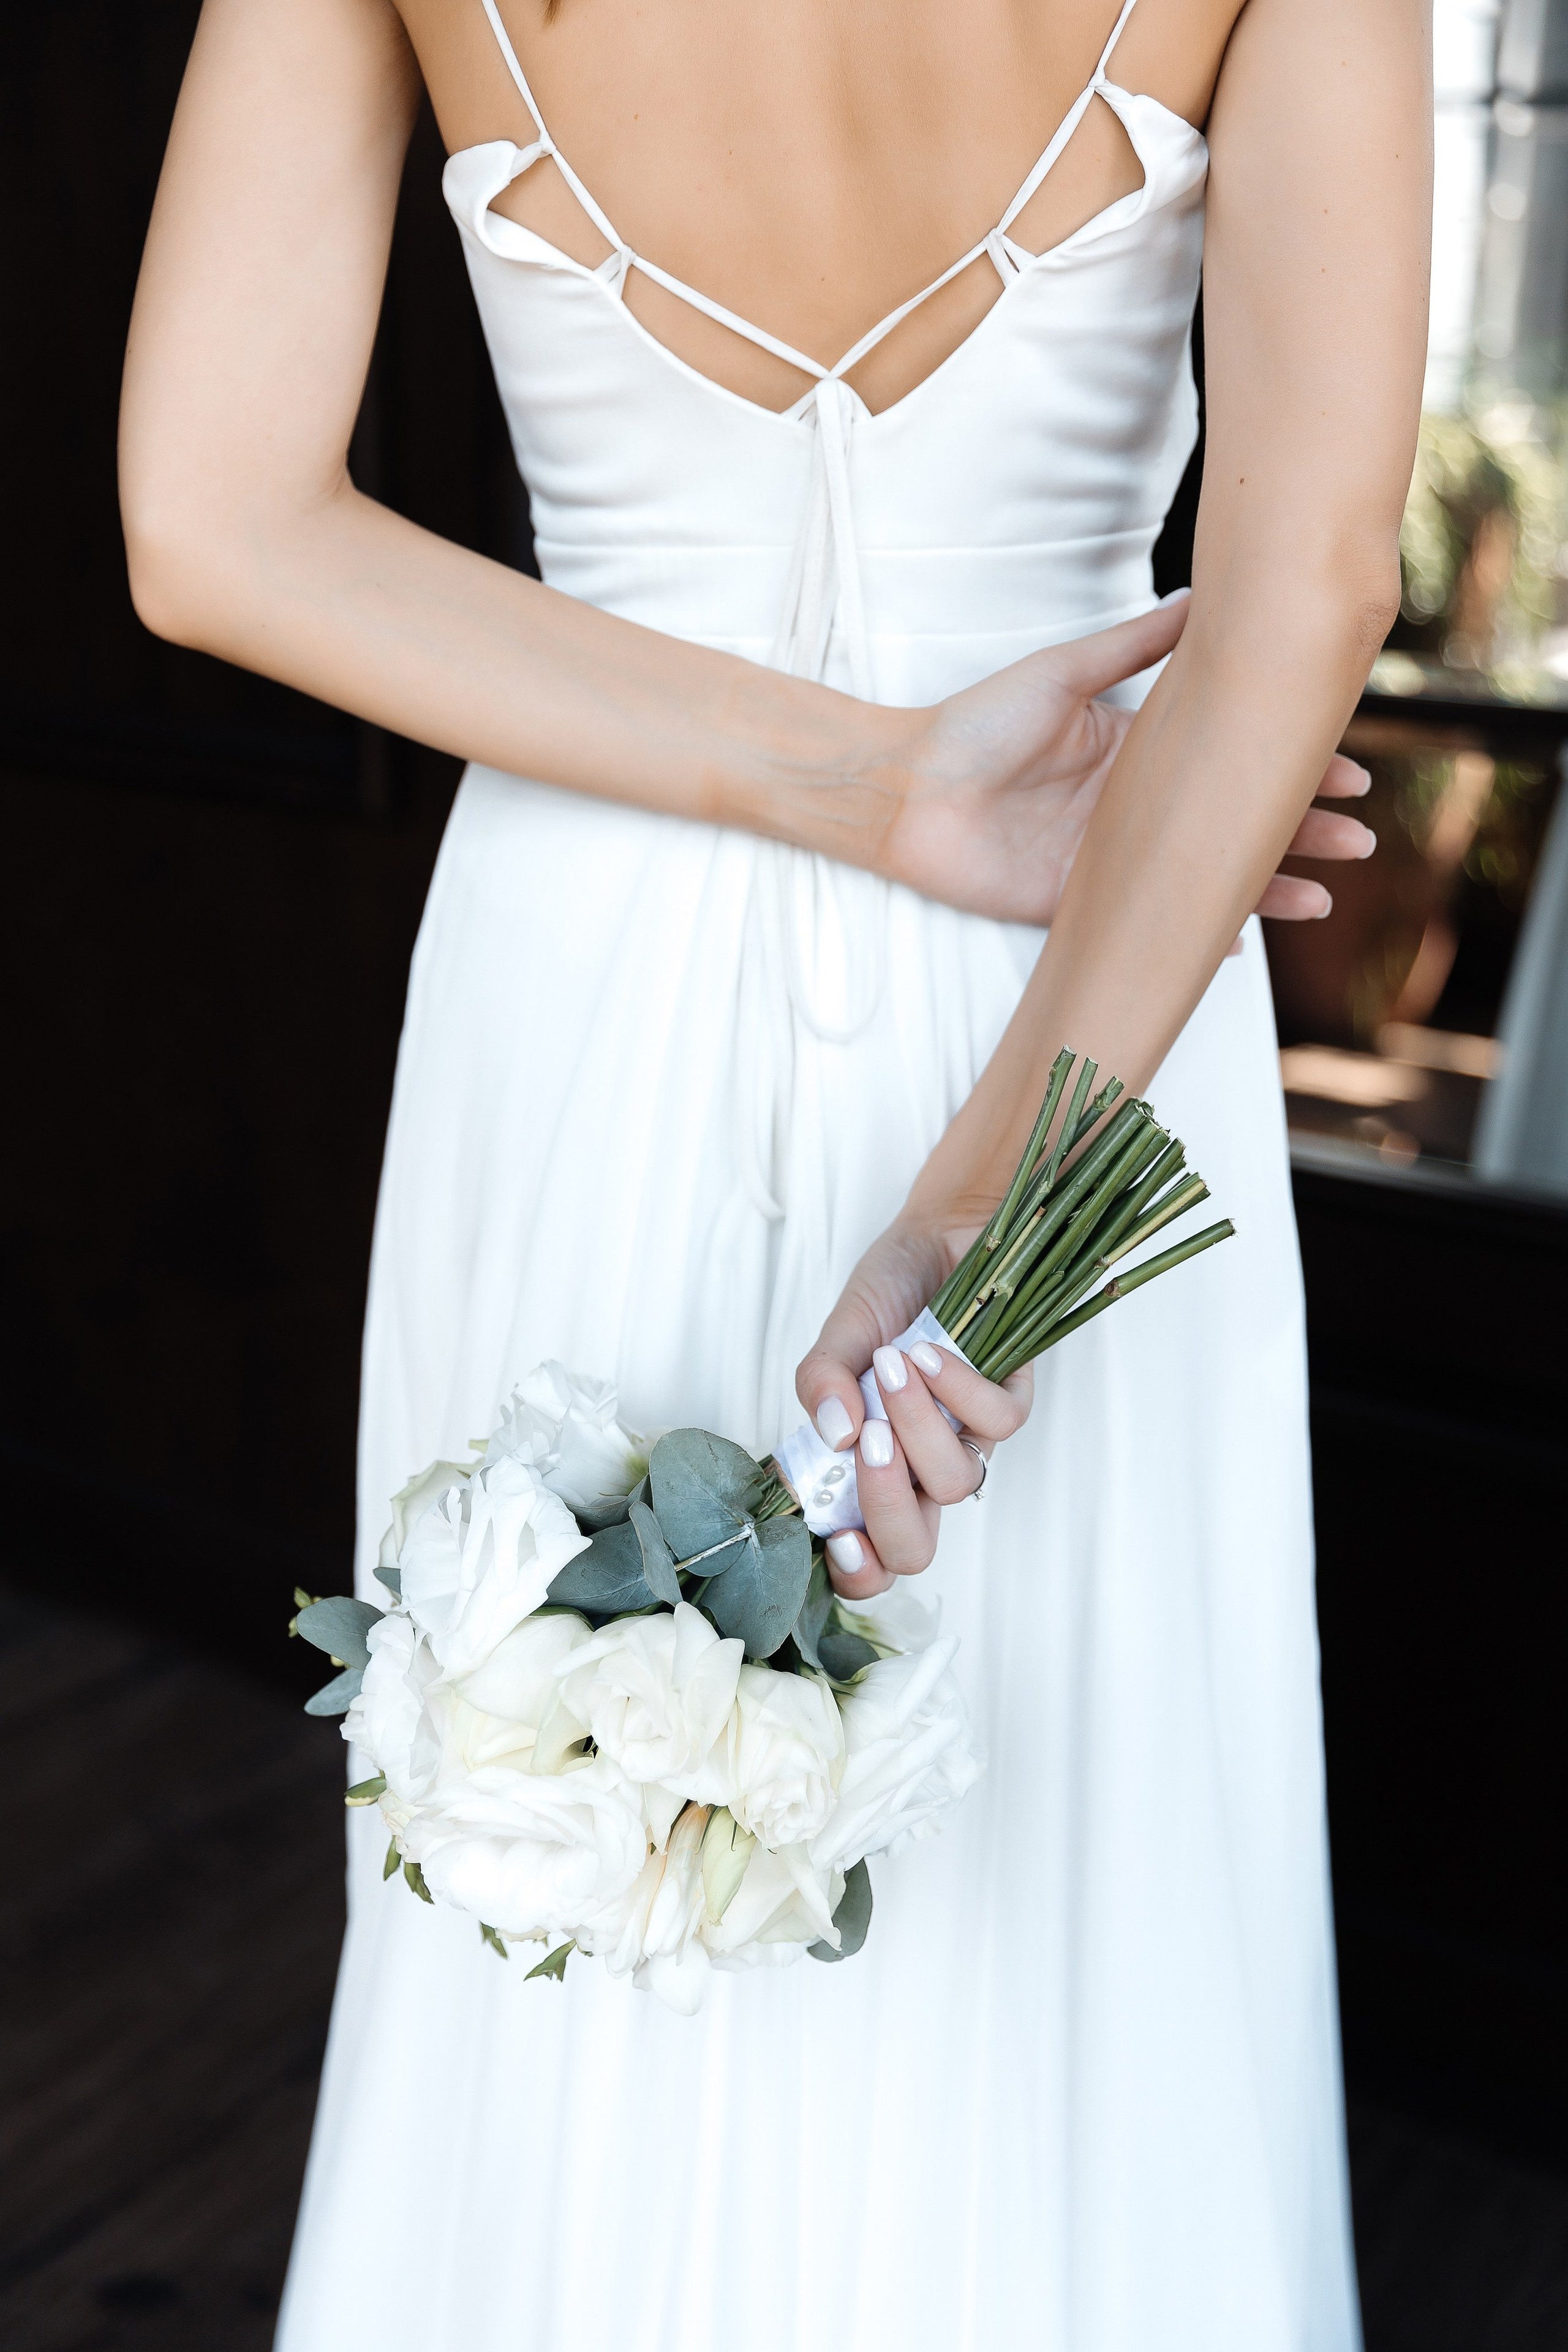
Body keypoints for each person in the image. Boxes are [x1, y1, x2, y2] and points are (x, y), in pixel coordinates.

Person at [120, 0, 1430, 2341]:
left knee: (545, 1871)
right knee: (1097, 1914)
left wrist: (862, 780)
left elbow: (211, 519)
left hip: (583, 931)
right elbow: (1310, 586)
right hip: (1101, 955)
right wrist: (993, 1212)